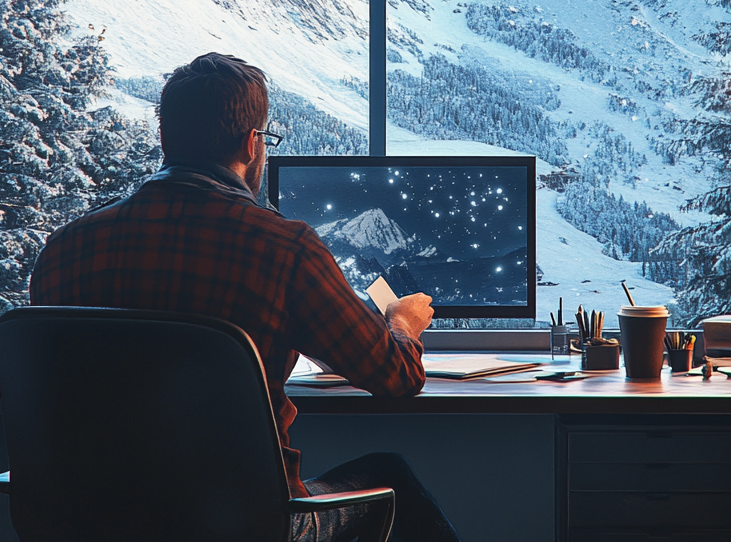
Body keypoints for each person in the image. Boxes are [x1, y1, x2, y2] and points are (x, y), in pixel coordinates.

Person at [30, 52, 461, 542]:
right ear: (252, 142)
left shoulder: (65, 250)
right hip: (248, 523)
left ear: (164, 137)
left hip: (89, 521)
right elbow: (397, 377)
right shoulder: (283, 248)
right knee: (391, 474)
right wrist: (401, 322)